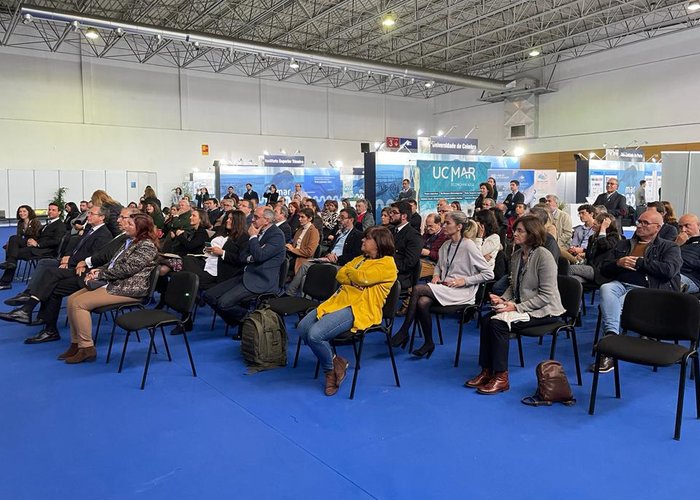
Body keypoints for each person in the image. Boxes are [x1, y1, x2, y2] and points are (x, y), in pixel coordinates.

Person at [465, 215, 565, 394]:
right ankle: (487, 371)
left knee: (497, 324)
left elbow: (547, 296)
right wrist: (503, 299)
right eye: (515, 230)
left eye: (520, 231)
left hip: (545, 311)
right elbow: (514, 286)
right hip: (525, 306)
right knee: (487, 320)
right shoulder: (517, 255)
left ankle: (501, 377)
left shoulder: (544, 256)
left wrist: (515, 307)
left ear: (532, 234)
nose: (514, 233)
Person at [297, 226, 398, 396]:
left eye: (367, 238)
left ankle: (330, 372)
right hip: (338, 302)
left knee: (315, 335)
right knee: (302, 328)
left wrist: (353, 274)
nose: (362, 240)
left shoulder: (388, 264)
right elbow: (340, 275)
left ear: (379, 243)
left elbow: (361, 278)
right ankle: (338, 361)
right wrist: (354, 276)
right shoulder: (360, 259)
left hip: (360, 308)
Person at [390, 211, 493, 356]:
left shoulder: (468, 245)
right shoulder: (446, 245)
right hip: (445, 287)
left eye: (447, 223)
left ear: (459, 227)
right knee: (422, 302)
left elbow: (489, 273)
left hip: (462, 291)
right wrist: (436, 275)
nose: (444, 226)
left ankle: (404, 330)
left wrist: (464, 281)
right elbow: (438, 265)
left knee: (418, 289)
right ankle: (428, 342)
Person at [58, 213, 159, 363]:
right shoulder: (129, 241)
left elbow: (127, 269)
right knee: (72, 299)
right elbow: (113, 263)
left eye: (131, 224)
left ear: (141, 229)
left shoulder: (146, 245)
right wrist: (97, 270)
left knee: (80, 304)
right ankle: (76, 343)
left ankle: (87, 348)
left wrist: (100, 274)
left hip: (129, 288)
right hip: (115, 281)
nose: (126, 226)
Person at [595, 209, 683, 373]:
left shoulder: (668, 247)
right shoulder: (624, 244)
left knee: (619, 304)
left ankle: (609, 349)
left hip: (646, 290)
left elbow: (669, 270)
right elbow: (603, 270)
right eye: (639, 222)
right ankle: (612, 337)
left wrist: (640, 263)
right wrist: (618, 263)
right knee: (606, 288)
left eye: (645, 223)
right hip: (620, 284)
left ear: (657, 227)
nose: (640, 225)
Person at [0, 205, 114, 330]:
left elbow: (93, 257)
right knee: (45, 265)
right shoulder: (90, 229)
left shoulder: (104, 234)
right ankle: (30, 303)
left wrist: (70, 260)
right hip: (72, 261)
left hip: (82, 268)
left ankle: (28, 308)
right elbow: (74, 243)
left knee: (51, 275)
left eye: (92, 214)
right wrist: (67, 256)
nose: (88, 216)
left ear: (102, 217)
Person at [203, 206, 285, 329]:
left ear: (267, 220)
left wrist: (253, 238)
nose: (252, 220)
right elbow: (243, 256)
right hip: (245, 274)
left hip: (261, 280)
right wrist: (252, 256)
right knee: (209, 295)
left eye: (256, 217)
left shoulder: (276, 235)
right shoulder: (256, 231)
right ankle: (243, 321)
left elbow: (260, 255)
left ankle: (251, 320)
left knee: (223, 303)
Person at [285, 208, 363, 296]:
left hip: (340, 263)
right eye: (339, 217)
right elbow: (329, 250)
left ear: (351, 220)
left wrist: (336, 259)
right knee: (305, 265)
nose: (339, 220)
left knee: (310, 273)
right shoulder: (339, 233)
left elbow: (355, 255)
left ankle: (300, 297)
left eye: (342, 218)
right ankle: (290, 293)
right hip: (328, 259)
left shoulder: (358, 235)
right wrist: (328, 255)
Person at [0, 203, 66, 290]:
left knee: (12, 252)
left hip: (44, 250)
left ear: (59, 212)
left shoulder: (60, 225)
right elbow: (39, 236)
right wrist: (32, 241)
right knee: (14, 239)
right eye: (49, 209)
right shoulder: (48, 223)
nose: (50, 212)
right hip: (35, 244)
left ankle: (6, 281)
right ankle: (10, 264)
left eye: (53, 210)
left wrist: (37, 244)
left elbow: (56, 241)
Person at [568, 213, 621, 286]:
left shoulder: (613, 237)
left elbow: (604, 246)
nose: (594, 223)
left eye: (597, 223)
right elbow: (589, 255)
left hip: (600, 272)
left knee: (570, 269)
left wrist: (603, 229)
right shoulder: (592, 238)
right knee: (571, 279)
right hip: (590, 269)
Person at [389, 201, 422, 292]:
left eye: (394, 213)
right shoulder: (389, 231)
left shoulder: (413, 236)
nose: (391, 215)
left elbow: (408, 264)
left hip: (401, 276)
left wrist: (386, 266)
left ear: (404, 216)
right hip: (386, 270)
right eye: (390, 212)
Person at [286, 208, 320, 274]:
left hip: (302, 258)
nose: (299, 219)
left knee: (282, 262)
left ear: (310, 219)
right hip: (292, 254)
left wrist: (293, 249)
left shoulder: (314, 232)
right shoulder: (300, 229)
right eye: (299, 217)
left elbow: (309, 252)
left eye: (302, 217)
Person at [418, 213, 448, 280]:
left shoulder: (444, 236)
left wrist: (428, 253)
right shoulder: (427, 233)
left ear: (439, 224)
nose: (428, 228)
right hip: (423, 260)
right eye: (427, 226)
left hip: (434, 264)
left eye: (431, 226)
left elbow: (442, 256)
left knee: (415, 266)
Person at [676, 213, 700, 293]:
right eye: (680, 227)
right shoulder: (675, 241)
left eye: (687, 226)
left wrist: (683, 261)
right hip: (670, 271)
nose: (683, 230)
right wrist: (677, 245)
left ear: (698, 226)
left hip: (691, 277)